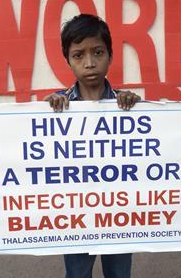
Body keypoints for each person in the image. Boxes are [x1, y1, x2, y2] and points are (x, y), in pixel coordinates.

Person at [44, 14, 140, 278]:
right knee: (77, 275)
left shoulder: (127, 105)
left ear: (110, 54)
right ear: (68, 60)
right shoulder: (57, 107)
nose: (89, 63)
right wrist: (43, 113)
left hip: (119, 214)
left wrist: (138, 108)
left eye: (97, 52)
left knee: (119, 275)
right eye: (78, 55)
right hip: (75, 216)